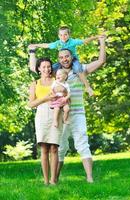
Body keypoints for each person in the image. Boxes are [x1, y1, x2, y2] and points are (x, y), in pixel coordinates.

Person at [28, 34, 106, 183]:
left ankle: (90, 178)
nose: (65, 59)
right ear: (59, 59)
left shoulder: (80, 70)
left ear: (72, 56)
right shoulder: (55, 75)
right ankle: (54, 180)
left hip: (77, 113)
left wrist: (102, 42)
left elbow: (101, 61)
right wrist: (32, 52)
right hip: (60, 117)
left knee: (83, 144)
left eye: (67, 56)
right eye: (62, 57)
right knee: (60, 148)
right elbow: (36, 68)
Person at [28, 25, 99, 96]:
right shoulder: (58, 43)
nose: (63, 37)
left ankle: (87, 87)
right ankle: (55, 88)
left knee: (78, 68)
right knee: (51, 69)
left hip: (73, 59)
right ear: (58, 36)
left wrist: (96, 37)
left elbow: (84, 41)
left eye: (65, 35)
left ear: (69, 35)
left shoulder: (72, 41)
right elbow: (47, 45)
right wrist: (35, 45)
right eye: (61, 35)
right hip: (61, 61)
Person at [28, 57, 63, 185]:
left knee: (54, 147)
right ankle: (46, 181)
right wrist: (46, 97)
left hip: (55, 113)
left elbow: (63, 95)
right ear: (38, 69)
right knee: (44, 149)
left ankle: (53, 180)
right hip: (41, 114)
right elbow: (31, 104)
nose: (47, 69)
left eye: (49, 66)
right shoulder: (34, 84)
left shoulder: (57, 80)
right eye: (44, 67)